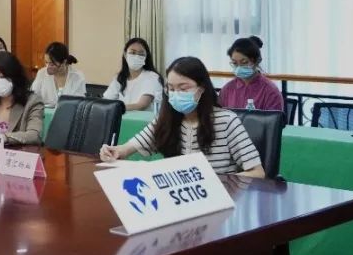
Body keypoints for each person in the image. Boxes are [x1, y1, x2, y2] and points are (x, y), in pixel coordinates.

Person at [101, 57, 265, 178]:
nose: (176, 94)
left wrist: (218, 182)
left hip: (219, 200)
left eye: (183, 88)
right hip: (180, 201)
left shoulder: (227, 121)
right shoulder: (166, 120)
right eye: (171, 89)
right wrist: (114, 152)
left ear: (201, 89)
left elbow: (257, 172)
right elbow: (126, 149)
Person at [218, 36, 284, 111]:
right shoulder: (227, 89)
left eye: (244, 62)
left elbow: (274, 118)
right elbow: (220, 115)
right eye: (235, 63)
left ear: (257, 61)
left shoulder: (270, 91)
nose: (239, 67)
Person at [102, 38, 164, 111]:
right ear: (125, 54)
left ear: (146, 57)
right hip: (123, 117)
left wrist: (116, 108)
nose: (137, 56)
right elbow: (106, 100)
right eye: (133, 52)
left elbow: (141, 105)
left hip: (144, 118)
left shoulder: (152, 77)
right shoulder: (120, 78)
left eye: (141, 54)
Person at [30, 42, 86, 107]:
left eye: (52, 64)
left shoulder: (77, 77)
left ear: (64, 62)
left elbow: (78, 105)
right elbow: (32, 98)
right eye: (46, 62)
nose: (48, 67)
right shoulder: (42, 73)